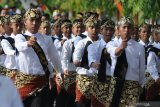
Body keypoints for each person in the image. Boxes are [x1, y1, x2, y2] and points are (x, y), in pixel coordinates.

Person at [14, 8, 62, 107]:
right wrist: (28, 43)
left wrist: (59, 72)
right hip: (23, 83)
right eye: (31, 20)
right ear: (25, 22)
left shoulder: (47, 39)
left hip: (41, 83)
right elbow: (19, 47)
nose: (34, 23)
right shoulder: (20, 37)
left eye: (37, 20)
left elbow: (54, 57)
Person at [107, 17, 145, 107]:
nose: (126, 30)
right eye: (124, 27)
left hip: (132, 84)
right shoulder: (112, 43)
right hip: (116, 83)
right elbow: (113, 52)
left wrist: (140, 84)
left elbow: (142, 68)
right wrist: (121, 47)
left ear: (132, 30)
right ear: (119, 30)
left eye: (129, 27)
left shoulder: (139, 47)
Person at [73, 16, 101, 107]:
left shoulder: (103, 43)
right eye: (91, 27)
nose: (94, 30)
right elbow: (76, 61)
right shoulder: (82, 43)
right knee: (81, 104)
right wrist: (89, 65)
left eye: (97, 27)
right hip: (84, 78)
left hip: (99, 80)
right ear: (87, 29)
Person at [88, 19, 115, 107]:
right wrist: (93, 64)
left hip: (113, 81)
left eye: (111, 30)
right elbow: (91, 58)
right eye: (106, 29)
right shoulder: (94, 45)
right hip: (98, 80)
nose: (108, 32)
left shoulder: (117, 47)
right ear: (101, 30)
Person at [1, 14, 22, 79]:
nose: (19, 28)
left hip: (23, 70)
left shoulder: (26, 38)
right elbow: (8, 51)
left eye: (21, 25)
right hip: (11, 70)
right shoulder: (6, 40)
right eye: (16, 25)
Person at [146, 28, 160, 100]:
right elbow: (150, 65)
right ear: (156, 35)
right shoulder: (153, 49)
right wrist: (156, 77)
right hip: (157, 79)